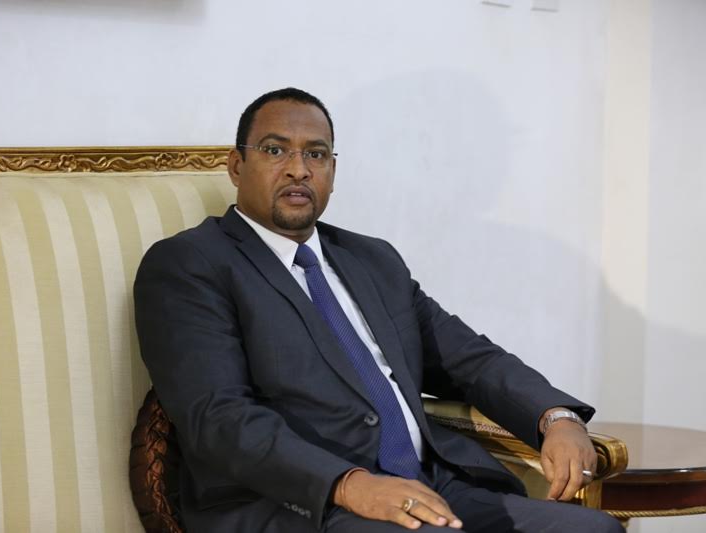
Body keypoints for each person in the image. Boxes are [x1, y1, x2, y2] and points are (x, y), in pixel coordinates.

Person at [134, 88, 623, 532]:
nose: (299, 169)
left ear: (332, 172)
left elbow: (468, 359)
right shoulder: (190, 264)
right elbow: (219, 418)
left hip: (430, 486)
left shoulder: (372, 260)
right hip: (299, 505)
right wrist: (348, 484)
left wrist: (555, 416)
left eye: (316, 154)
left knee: (593, 530)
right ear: (237, 166)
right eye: (275, 150)